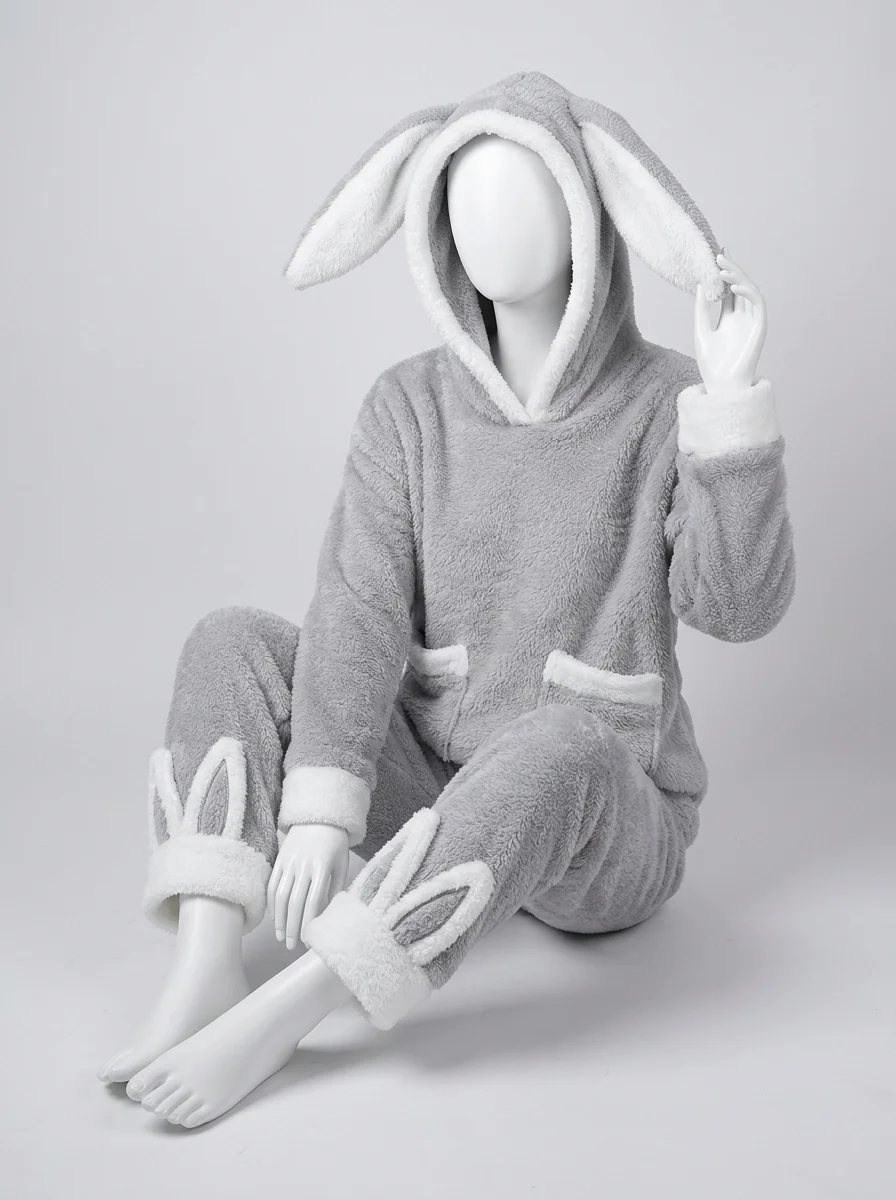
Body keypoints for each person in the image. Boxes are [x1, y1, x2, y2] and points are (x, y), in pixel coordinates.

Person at [98, 70, 795, 1128]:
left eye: (522, 194)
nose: (487, 224)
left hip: (604, 822)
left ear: (588, 215)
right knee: (231, 639)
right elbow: (358, 607)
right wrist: (323, 802)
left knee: (560, 743)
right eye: (462, 199)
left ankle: (294, 1006)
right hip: (433, 789)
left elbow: (736, 607)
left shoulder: (665, 402)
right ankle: (206, 965)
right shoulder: (407, 406)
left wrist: (730, 405)